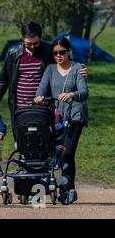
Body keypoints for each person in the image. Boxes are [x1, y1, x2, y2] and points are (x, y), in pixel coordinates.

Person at [0, 21, 88, 143]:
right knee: (22, 143)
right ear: (22, 38)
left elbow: (64, 61)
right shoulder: (13, 53)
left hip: (44, 107)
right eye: (29, 44)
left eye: (36, 43)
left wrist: (80, 70)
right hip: (19, 107)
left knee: (44, 144)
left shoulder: (48, 51)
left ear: (40, 37)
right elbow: (3, 81)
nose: (33, 46)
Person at [34, 37, 88, 205]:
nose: (59, 55)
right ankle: (53, 185)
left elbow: (84, 92)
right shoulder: (50, 69)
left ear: (68, 51)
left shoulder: (78, 68)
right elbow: (41, 88)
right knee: (53, 153)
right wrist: (39, 96)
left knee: (67, 153)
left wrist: (72, 94)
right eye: (55, 53)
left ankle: (69, 187)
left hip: (74, 117)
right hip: (56, 118)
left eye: (62, 52)